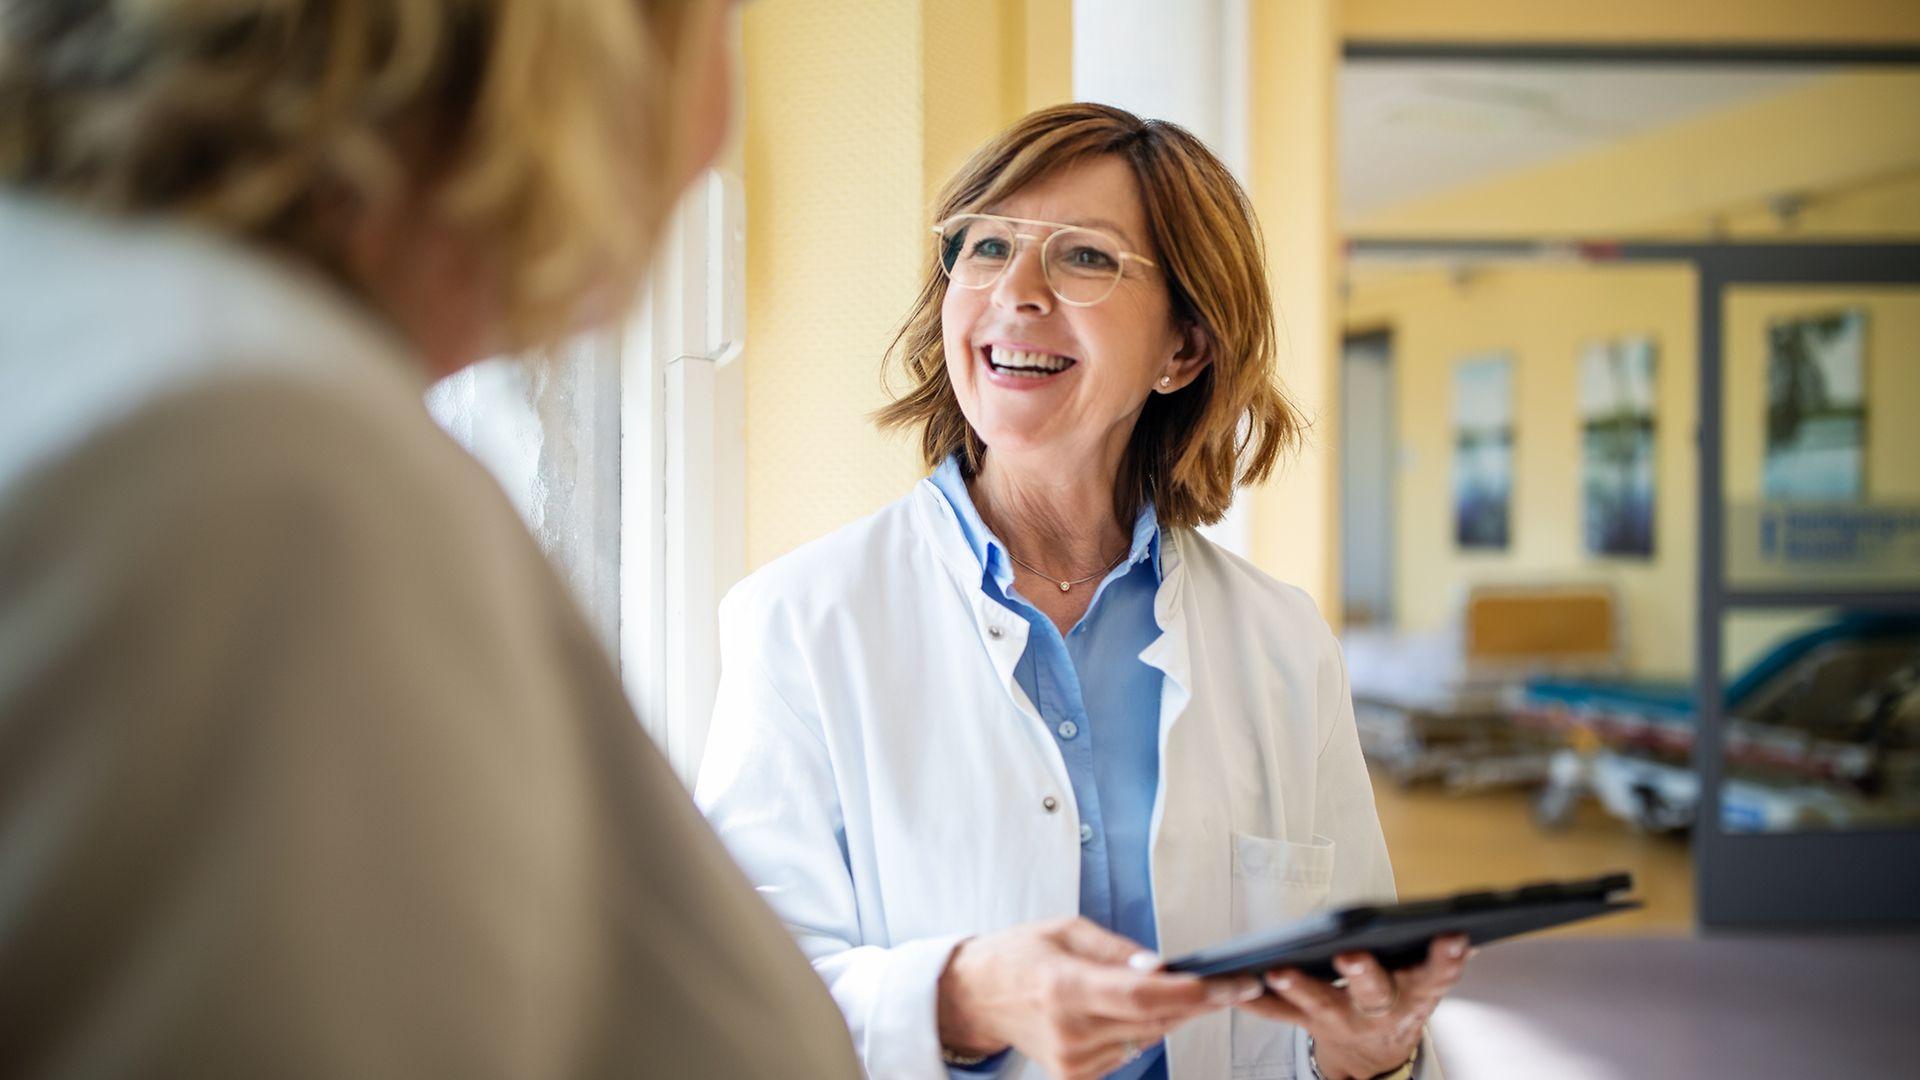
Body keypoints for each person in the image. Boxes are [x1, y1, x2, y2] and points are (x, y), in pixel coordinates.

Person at [0, 1, 858, 1075]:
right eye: (718, 32)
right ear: (576, 62)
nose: (722, 129)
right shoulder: (262, 469)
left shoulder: (124, 347)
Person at [697, 103, 1468, 1080]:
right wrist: (963, 997)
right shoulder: (801, 623)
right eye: (985, 246)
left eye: (1084, 259)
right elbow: (737, 1006)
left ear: (1183, 349)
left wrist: (1369, 1060)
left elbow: (1357, 1007)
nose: (1016, 291)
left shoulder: (1281, 642)